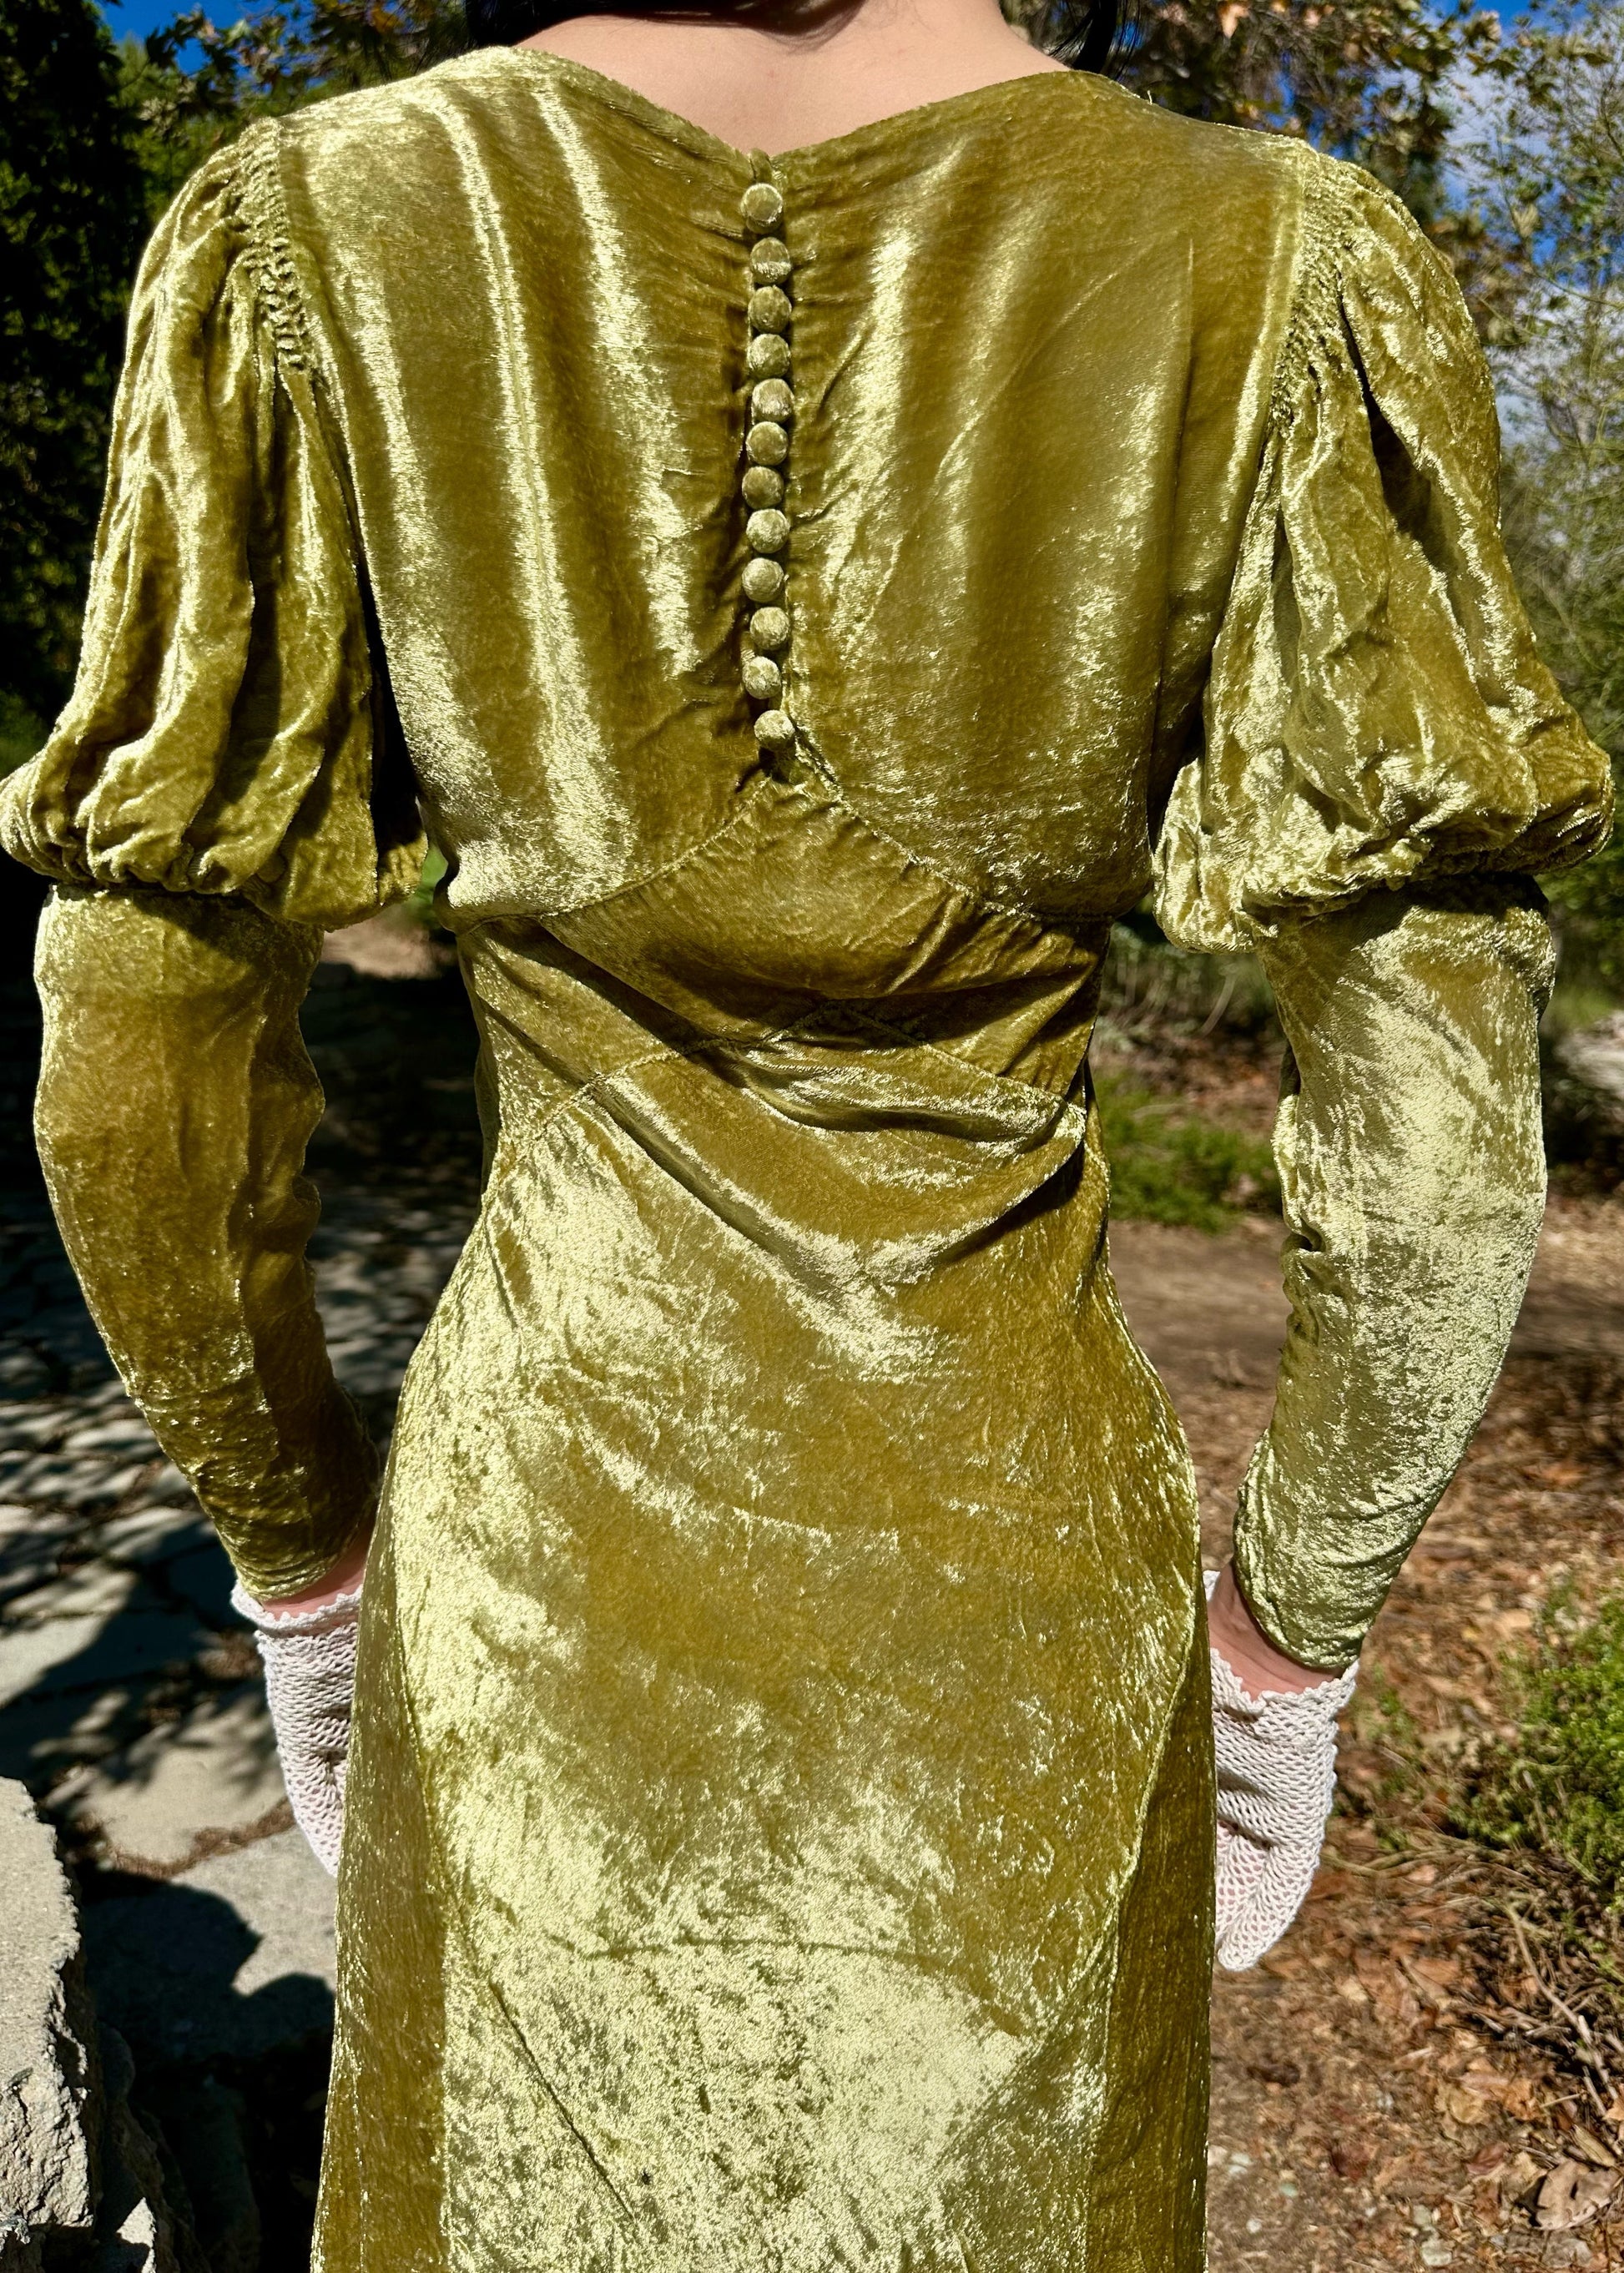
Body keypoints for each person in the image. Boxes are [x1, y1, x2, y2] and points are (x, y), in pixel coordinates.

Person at [2, 0, 1611, 2254]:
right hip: (1022, 1617)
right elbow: (1436, 1136)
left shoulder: (316, 234)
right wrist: (1286, 1639)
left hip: (538, 1580)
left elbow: (135, 1045)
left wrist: (303, 1563)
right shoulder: (1265, 263)